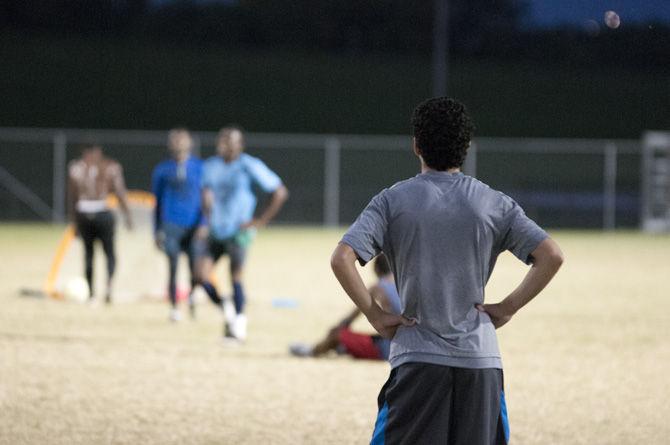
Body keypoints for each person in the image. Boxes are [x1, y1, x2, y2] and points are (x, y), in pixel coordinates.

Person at [330, 97, 564, 445]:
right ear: (466, 148)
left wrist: (375, 316)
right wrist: (508, 307)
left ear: (416, 146)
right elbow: (551, 256)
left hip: (417, 359)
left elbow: (342, 258)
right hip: (480, 361)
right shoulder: (493, 202)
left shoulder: (392, 201)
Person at [198, 126, 289, 341]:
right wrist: (206, 219)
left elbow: (279, 191)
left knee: (235, 277)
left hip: (238, 232)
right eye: (223, 140)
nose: (226, 145)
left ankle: (239, 323)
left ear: (240, 145)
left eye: (231, 141)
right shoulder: (211, 166)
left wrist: (260, 221)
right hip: (217, 230)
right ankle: (227, 308)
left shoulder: (248, 165)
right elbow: (206, 194)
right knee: (201, 276)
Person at [289, 255, 400, 360]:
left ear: (377, 269)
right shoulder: (405, 283)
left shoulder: (379, 287)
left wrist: (337, 330)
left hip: (390, 350)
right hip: (410, 344)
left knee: (338, 334)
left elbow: (350, 318)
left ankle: (312, 351)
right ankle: (343, 348)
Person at [151, 128, 206, 322]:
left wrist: (204, 223)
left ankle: (192, 301)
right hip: (171, 225)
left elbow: (205, 199)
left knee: (195, 268)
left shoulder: (200, 168)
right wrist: (156, 230)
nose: (178, 144)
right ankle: (174, 307)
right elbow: (156, 202)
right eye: (174, 141)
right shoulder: (162, 170)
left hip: (193, 226)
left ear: (189, 143)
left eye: (181, 140)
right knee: (173, 266)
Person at [68, 143, 133, 304]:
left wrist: (74, 222)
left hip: (83, 213)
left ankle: (91, 294)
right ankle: (108, 285)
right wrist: (128, 216)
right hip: (102, 212)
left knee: (89, 254)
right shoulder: (110, 166)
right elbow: (119, 191)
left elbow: (72, 198)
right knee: (109, 253)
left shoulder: (76, 168)